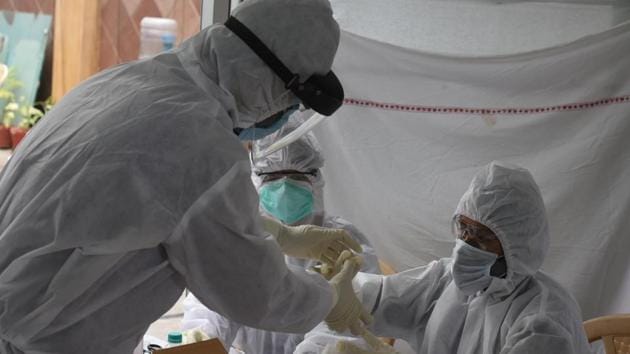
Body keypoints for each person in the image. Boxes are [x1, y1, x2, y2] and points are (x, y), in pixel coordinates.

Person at [0, 0, 371, 353]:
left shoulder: (130, 80)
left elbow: (150, 209)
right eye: (293, 98)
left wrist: (282, 235)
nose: (287, 110)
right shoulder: (201, 139)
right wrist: (330, 300)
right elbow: (253, 290)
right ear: (271, 79)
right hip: (46, 339)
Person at [312, 161, 592, 354]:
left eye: (482, 235)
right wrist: (335, 289)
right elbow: (382, 297)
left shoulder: (543, 322)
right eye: (464, 228)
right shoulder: (445, 281)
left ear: (516, 245)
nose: (466, 242)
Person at [182, 116, 381, 354]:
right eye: (272, 177)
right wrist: (204, 334)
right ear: (256, 180)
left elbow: (353, 317)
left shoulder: (344, 239)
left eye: (297, 176)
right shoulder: (242, 235)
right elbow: (218, 297)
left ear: (315, 179)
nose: (285, 186)